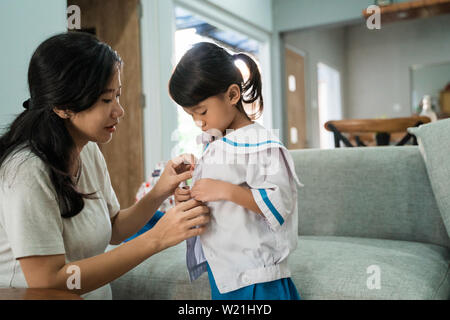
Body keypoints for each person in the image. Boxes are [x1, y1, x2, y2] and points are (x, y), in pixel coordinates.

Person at [0, 32, 210, 300]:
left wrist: (161, 190)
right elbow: (47, 281)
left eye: (118, 96)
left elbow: (114, 229)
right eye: (106, 100)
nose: (119, 110)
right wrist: (156, 238)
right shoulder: (26, 172)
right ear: (64, 107)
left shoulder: (87, 151)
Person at [169, 42, 302, 300]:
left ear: (232, 95)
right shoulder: (216, 144)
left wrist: (226, 191)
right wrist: (189, 196)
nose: (199, 122)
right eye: (191, 115)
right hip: (226, 272)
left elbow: (280, 203)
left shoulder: (262, 144)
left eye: (202, 112)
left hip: (257, 277)